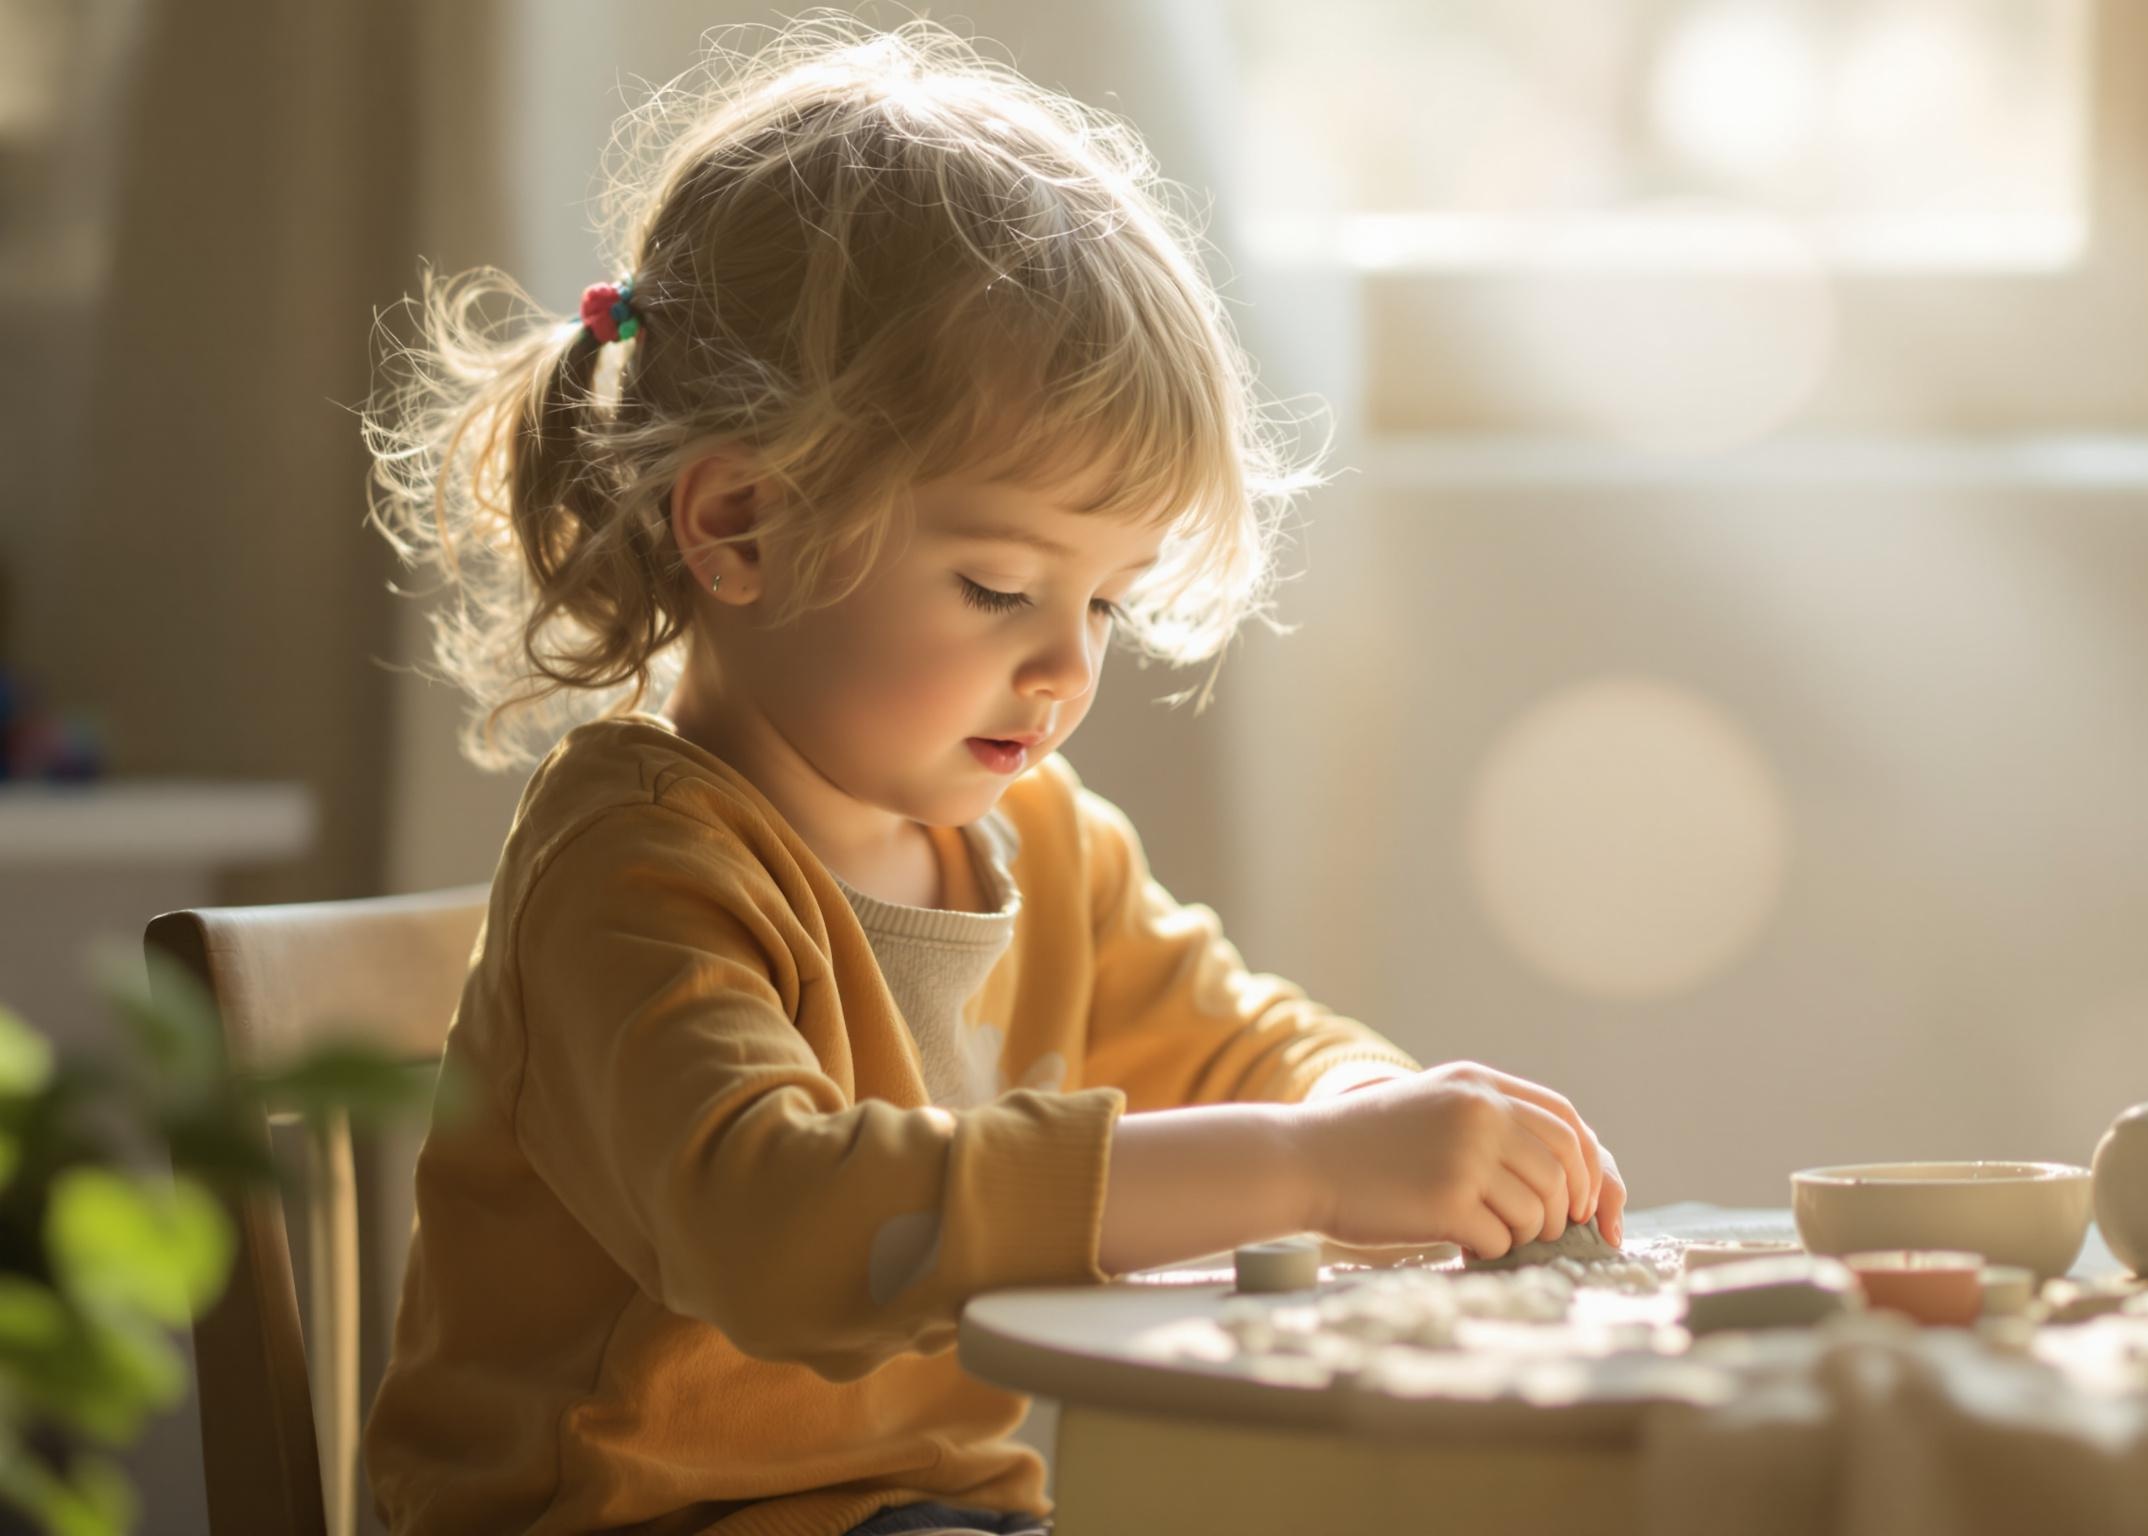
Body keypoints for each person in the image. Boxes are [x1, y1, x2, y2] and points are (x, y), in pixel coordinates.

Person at [358, 16, 1626, 1535]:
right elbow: (779, 1226)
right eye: (998, 587)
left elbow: (1236, 1049)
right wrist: (1305, 1165)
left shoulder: (1039, 848)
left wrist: (1376, 1111)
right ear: (740, 528)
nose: (1067, 671)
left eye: (1102, 601)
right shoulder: (635, 864)